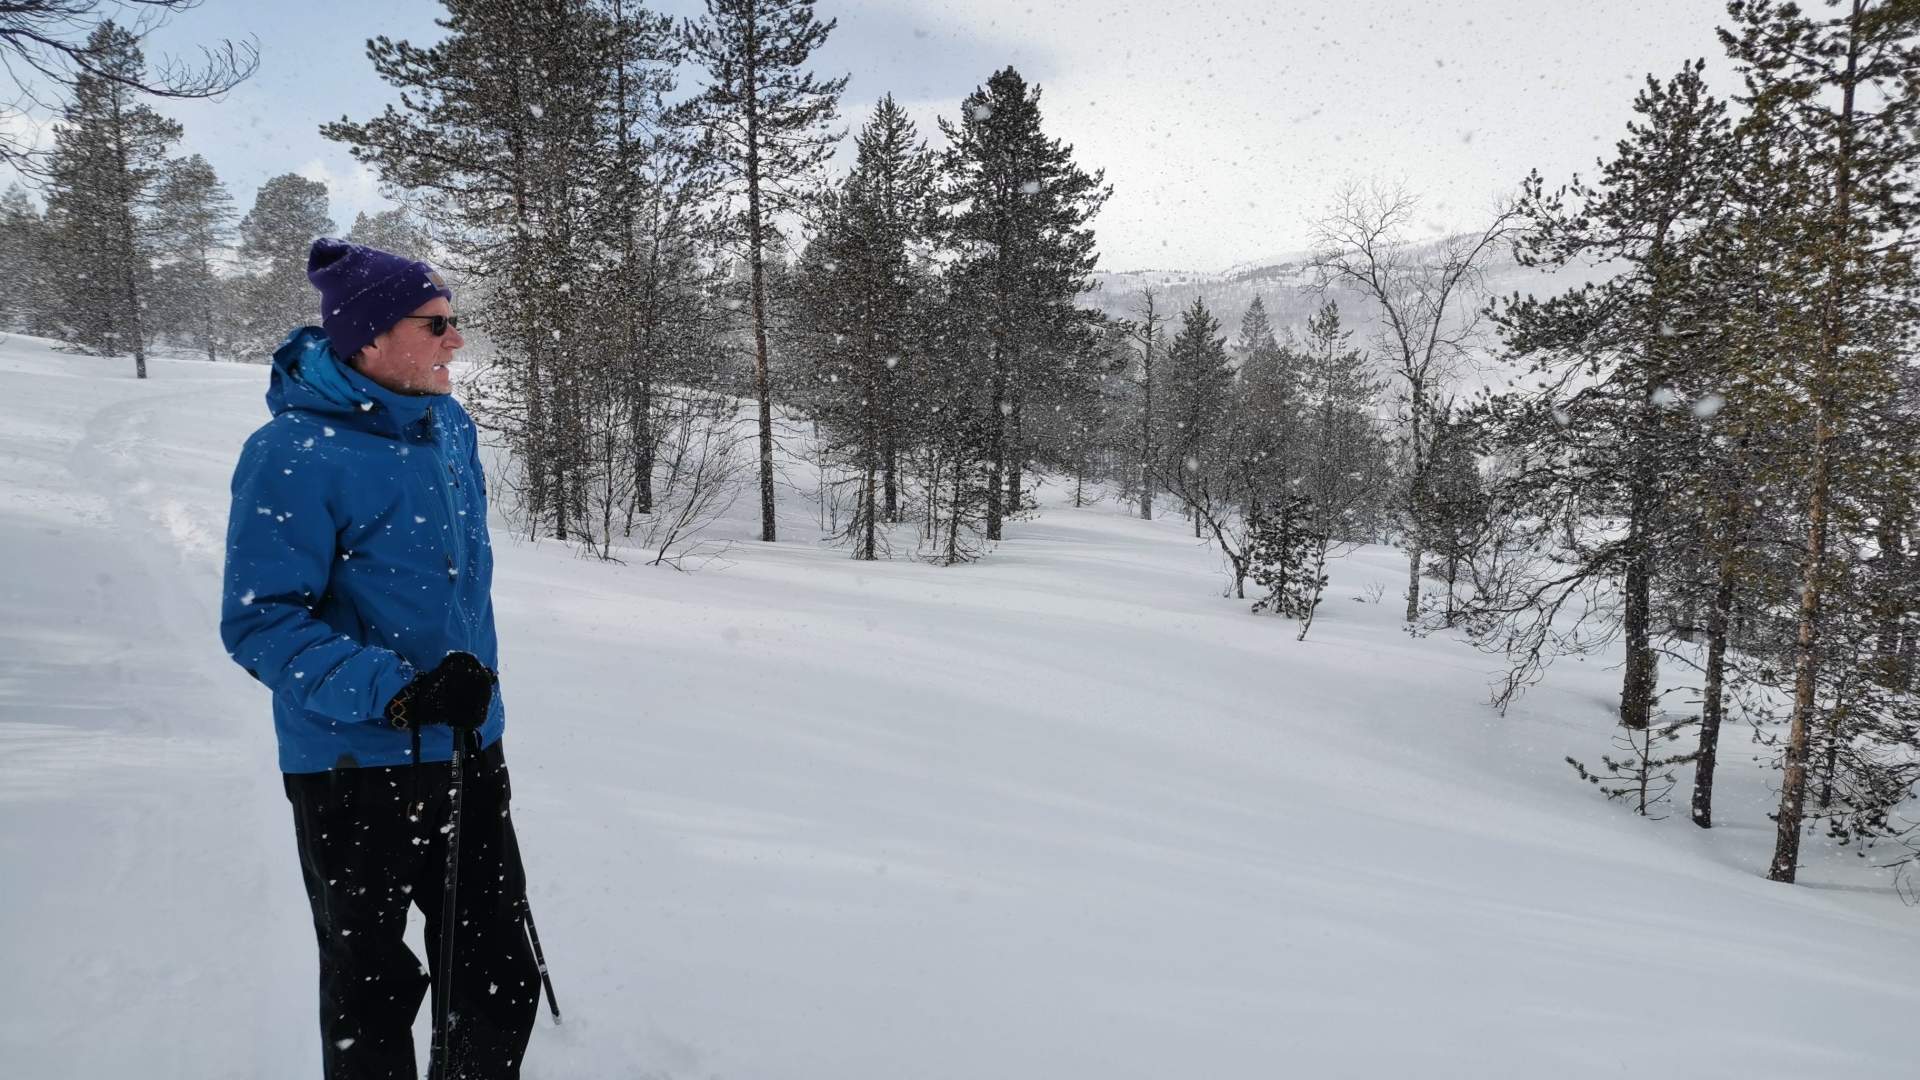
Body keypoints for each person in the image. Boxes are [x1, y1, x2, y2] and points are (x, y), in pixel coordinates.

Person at [221, 238, 540, 1079]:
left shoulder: (448, 428)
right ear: (366, 338)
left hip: (469, 743)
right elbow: (261, 623)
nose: (456, 341)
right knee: (373, 990)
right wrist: (401, 693)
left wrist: (461, 694)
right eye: (436, 324)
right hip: (354, 762)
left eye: (456, 322)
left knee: (498, 975)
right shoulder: (291, 453)